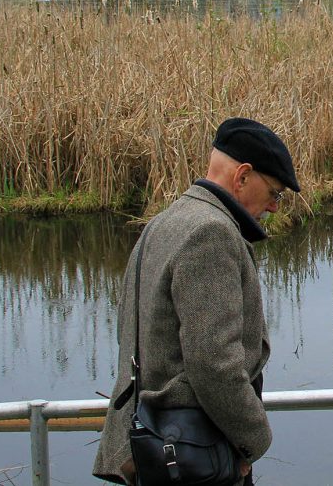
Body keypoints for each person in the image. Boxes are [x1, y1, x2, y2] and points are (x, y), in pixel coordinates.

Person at [93, 117, 300, 485]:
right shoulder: (211, 232)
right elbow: (213, 362)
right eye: (274, 192)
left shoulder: (164, 222)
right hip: (192, 454)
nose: (274, 207)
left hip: (152, 446)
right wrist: (253, 440)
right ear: (243, 176)